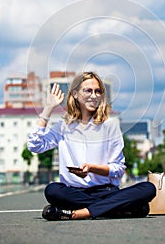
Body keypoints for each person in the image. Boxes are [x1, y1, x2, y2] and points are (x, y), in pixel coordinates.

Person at [27, 71, 156, 221]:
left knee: (148, 188)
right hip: (74, 194)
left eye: (98, 91)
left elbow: (118, 169)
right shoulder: (63, 127)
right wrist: (48, 109)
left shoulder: (110, 126)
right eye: (88, 90)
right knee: (52, 190)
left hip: (106, 191)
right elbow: (34, 146)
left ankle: (79, 213)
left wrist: (92, 168)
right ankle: (116, 209)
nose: (94, 95)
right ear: (75, 94)